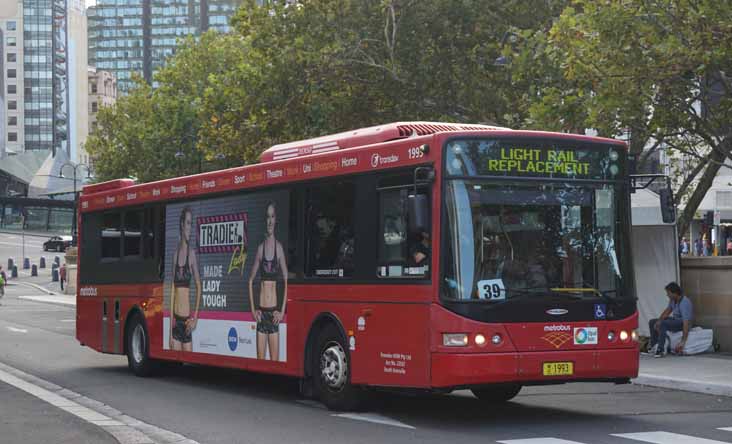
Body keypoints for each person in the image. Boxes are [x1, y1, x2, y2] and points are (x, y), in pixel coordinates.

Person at [248, 202, 288, 361]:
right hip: (261, 313)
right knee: (260, 362)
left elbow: (286, 280)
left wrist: (282, 310)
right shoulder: (260, 249)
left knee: (275, 363)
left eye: (272, 216)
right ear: (265, 220)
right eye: (267, 217)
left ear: (276, 219)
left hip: (273, 314)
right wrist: (253, 310)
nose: (270, 221)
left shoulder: (279, 248)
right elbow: (250, 280)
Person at [169, 207, 202, 352]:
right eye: (188, 223)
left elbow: (199, 287)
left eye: (191, 224)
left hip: (187, 321)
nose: (190, 227)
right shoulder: (175, 256)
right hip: (176, 321)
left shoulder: (192, 255)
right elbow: (172, 293)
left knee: (189, 357)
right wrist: (171, 329)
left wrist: (195, 318)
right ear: (182, 224)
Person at [648, 282, 693, 357]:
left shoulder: (685, 302)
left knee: (663, 324)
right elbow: (667, 311)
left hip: (683, 323)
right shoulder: (673, 300)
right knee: (652, 322)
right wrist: (659, 321)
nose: (667, 295)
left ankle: (661, 349)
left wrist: (683, 341)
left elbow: (686, 323)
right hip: (676, 320)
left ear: (675, 293)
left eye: (668, 293)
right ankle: (654, 346)